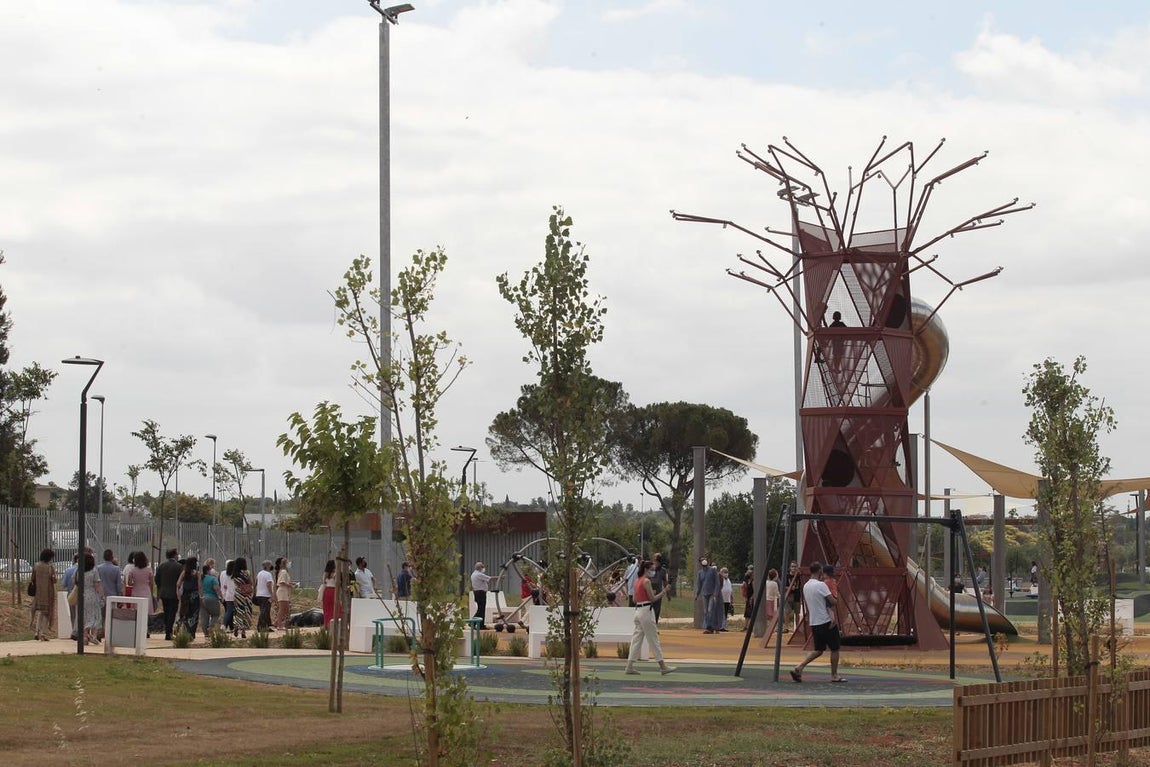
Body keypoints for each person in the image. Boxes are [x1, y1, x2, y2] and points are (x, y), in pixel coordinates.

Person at [790, 562, 844, 683]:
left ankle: (800, 667)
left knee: (819, 649)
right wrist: (836, 595)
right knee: (835, 648)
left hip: (814, 622)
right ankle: (834, 675)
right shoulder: (821, 585)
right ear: (820, 571)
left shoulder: (806, 586)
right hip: (826, 621)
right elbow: (833, 601)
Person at [624, 559, 675, 676]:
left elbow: (635, 599)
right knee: (653, 639)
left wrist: (648, 594)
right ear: (646, 569)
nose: (653, 572)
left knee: (636, 640)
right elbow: (652, 599)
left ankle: (629, 666)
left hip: (638, 610)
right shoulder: (646, 581)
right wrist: (664, 591)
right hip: (646, 611)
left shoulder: (637, 581)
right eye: (652, 570)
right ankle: (663, 666)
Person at [155, 548, 183, 640]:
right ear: (174, 555)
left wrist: (161, 587)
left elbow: (157, 579)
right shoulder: (179, 566)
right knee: (172, 612)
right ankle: (169, 631)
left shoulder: (161, 566)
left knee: (166, 612)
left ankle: (167, 630)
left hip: (164, 593)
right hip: (174, 593)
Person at [124, 552, 155, 633]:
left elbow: (129, 583)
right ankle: (146, 630)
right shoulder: (149, 569)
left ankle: (137, 629)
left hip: (136, 592)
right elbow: (151, 583)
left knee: (137, 612)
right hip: (146, 591)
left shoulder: (132, 570)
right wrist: (151, 592)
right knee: (145, 612)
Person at [31, 548, 56, 641]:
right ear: (49, 557)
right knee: (46, 613)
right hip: (48, 593)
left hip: (38, 593)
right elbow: (54, 580)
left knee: (41, 612)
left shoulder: (36, 566)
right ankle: (44, 634)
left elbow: (32, 578)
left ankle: (37, 632)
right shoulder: (50, 567)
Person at [81, 552, 104, 646]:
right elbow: (97, 585)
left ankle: (85, 636)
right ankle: (93, 636)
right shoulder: (94, 570)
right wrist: (102, 595)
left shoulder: (80, 570)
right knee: (95, 615)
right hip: (92, 594)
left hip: (83, 594)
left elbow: (74, 579)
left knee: (86, 616)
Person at [177, 556, 201, 639]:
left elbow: (178, 584)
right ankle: (192, 632)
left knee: (186, 612)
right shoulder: (197, 573)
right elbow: (199, 586)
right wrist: (201, 596)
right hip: (194, 596)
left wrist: (179, 593)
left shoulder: (184, 572)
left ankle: (186, 631)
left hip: (186, 595)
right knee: (194, 614)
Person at [695, 556, 720, 634]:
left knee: (710, 610)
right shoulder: (700, 573)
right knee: (706, 611)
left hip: (712, 593)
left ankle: (712, 627)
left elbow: (717, 582)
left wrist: (716, 593)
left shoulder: (712, 570)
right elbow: (699, 585)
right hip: (704, 594)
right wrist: (697, 594)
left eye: (704, 559)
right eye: (701, 560)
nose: (703, 561)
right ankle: (708, 627)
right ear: (700, 563)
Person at [232, 557, 253, 638]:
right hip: (247, 595)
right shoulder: (247, 572)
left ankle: (236, 626)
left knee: (238, 611)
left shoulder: (234, 574)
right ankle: (243, 630)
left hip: (238, 594)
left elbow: (236, 584)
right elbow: (250, 582)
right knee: (246, 611)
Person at [273, 557, 295, 629]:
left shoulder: (284, 572)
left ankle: (276, 622)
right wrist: (290, 586)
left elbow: (285, 581)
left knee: (286, 609)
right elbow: (281, 582)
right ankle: (279, 625)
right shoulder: (283, 572)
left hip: (285, 591)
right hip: (282, 591)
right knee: (282, 609)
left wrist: (291, 583)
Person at [200, 563, 222, 633]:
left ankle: (205, 632)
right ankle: (211, 627)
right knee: (216, 614)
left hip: (202, 598)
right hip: (212, 599)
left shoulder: (201, 578)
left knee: (204, 616)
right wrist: (221, 596)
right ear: (208, 571)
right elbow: (217, 589)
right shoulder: (213, 579)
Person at [62, 554, 79, 639]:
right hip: (81, 594)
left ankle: (74, 630)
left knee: (73, 615)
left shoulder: (68, 570)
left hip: (71, 595)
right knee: (80, 614)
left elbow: (63, 584)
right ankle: (79, 631)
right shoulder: (84, 570)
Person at [648, 553, 669, 622]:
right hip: (649, 592)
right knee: (648, 610)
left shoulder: (663, 570)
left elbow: (665, 582)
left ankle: (655, 626)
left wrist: (667, 593)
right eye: (654, 560)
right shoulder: (650, 569)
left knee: (656, 610)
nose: (655, 562)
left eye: (656, 560)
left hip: (658, 593)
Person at [255, 560, 275, 631]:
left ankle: (267, 625)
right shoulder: (268, 574)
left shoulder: (259, 573)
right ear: (268, 566)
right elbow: (268, 585)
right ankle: (260, 626)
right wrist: (272, 594)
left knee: (264, 611)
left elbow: (256, 583)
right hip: (265, 595)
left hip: (259, 594)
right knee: (265, 611)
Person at [470, 562, 492, 628]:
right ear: (480, 568)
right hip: (481, 593)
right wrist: (500, 577)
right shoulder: (479, 574)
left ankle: (481, 625)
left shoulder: (473, 574)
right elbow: (490, 578)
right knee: (481, 610)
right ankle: (472, 623)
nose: (483, 568)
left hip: (477, 593)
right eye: (482, 567)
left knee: (481, 609)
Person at [785, 561, 803, 630]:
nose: (794, 568)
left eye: (795, 566)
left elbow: (801, 586)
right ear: (790, 568)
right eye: (792, 566)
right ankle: (786, 627)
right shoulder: (786, 576)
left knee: (797, 613)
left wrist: (801, 598)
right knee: (787, 612)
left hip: (797, 596)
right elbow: (783, 586)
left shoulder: (799, 576)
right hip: (789, 596)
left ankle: (797, 627)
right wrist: (789, 588)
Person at [219, 559, 236, 633]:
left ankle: (230, 627)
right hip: (230, 595)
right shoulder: (233, 574)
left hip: (223, 594)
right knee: (229, 611)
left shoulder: (222, 573)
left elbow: (223, 584)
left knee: (228, 611)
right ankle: (224, 625)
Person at [320, 559, 338, 628]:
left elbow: (324, 582)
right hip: (333, 591)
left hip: (326, 591)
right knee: (334, 608)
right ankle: (332, 624)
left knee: (326, 608)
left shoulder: (325, 574)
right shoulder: (335, 574)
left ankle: (326, 624)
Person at [719, 567, 733, 631]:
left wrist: (731, 599)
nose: (726, 573)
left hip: (727, 600)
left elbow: (730, 590)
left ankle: (723, 627)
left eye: (727, 572)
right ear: (721, 573)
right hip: (721, 599)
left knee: (725, 614)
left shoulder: (729, 580)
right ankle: (720, 626)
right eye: (724, 572)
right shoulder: (720, 580)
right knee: (721, 613)